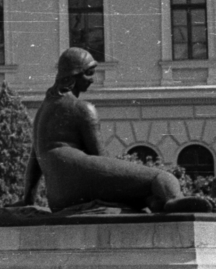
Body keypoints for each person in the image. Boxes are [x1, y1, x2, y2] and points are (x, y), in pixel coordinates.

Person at [20, 48, 188, 213]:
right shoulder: (82, 109)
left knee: (141, 193)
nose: (92, 80)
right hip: (81, 186)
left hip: (58, 197)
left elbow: (35, 160)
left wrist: (28, 199)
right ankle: (174, 200)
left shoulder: (44, 109)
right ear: (74, 75)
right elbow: (102, 160)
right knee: (161, 178)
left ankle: (154, 201)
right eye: (89, 73)